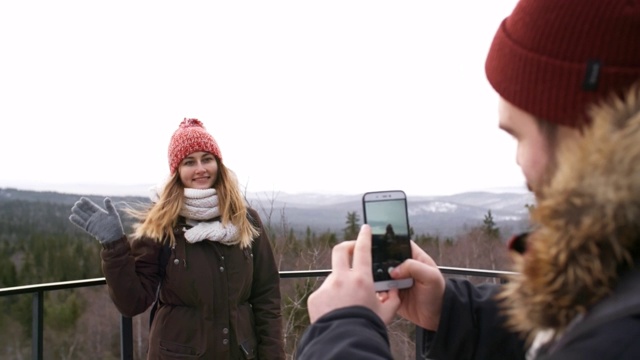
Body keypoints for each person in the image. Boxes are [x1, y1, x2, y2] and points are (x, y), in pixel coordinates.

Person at [296, 0, 640, 359]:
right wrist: (452, 314)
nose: (519, 160)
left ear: (584, 131)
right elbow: (567, 329)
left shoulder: (620, 337)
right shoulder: (617, 278)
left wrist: (340, 330)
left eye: (518, 136)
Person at [69, 118, 284, 359]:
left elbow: (267, 299)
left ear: (218, 164)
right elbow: (133, 302)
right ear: (177, 172)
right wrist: (114, 246)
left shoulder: (245, 219)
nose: (200, 168)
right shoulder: (163, 222)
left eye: (207, 159)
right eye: (189, 162)